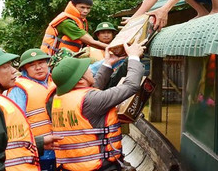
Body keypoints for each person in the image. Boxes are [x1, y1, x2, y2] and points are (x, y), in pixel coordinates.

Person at [50, 40, 146, 171]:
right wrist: (134, 57)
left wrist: (108, 63)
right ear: (80, 80)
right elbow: (131, 86)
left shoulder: (60, 99)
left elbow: (92, 89)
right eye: (86, 69)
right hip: (100, 167)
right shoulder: (91, 100)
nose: (90, 69)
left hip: (71, 167)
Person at [7, 49, 57, 171]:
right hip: (37, 152)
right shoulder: (18, 89)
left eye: (41, 63)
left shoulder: (56, 81)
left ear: (47, 64)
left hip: (61, 152)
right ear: (24, 70)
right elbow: (15, 125)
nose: (38, 68)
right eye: (32, 65)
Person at [41, 0, 110, 56]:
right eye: (82, 7)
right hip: (52, 59)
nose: (85, 11)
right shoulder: (66, 22)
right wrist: (112, 48)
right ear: (73, 6)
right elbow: (91, 42)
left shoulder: (79, 20)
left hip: (65, 58)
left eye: (88, 8)